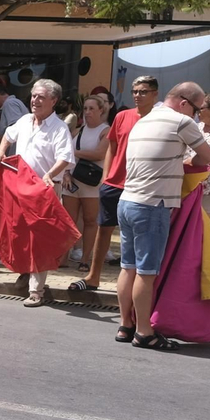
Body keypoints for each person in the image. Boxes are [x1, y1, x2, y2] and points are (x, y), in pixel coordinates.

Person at [116, 82, 210, 349]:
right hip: (152, 205)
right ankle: (144, 332)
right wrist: (187, 163)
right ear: (184, 102)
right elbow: (207, 156)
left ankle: (125, 325)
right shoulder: (181, 122)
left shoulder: (143, 120)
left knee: (128, 268)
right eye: (196, 109)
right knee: (146, 273)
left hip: (127, 201)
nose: (197, 115)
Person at [0, 78, 75, 307]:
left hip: (43, 189)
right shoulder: (25, 120)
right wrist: (1, 151)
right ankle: (25, 272)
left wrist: (50, 174)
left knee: (40, 239)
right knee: (19, 234)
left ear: (53, 101)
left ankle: (36, 290)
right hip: (20, 187)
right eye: (34, 96)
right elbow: (8, 135)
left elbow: (65, 158)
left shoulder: (59, 128)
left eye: (41, 97)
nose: (35, 100)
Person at [73, 75, 158, 294]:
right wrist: (106, 177)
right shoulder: (122, 116)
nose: (138, 95)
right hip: (115, 182)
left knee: (140, 235)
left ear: (155, 94)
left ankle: (140, 283)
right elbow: (112, 147)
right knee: (104, 229)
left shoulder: (160, 119)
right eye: (135, 91)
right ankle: (93, 276)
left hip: (143, 185)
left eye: (143, 91)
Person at [62, 95, 109, 269]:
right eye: (86, 109)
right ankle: (63, 258)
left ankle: (85, 259)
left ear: (101, 110)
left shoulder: (105, 131)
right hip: (72, 181)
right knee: (68, 220)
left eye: (92, 109)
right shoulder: (78, 131)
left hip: (92, 182)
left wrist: (73, 152)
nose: (88, 112)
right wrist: (66, 173)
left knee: (90, 220)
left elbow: (100, 154)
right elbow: (64, 156)